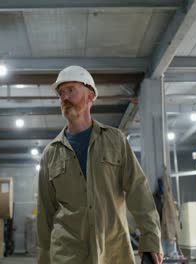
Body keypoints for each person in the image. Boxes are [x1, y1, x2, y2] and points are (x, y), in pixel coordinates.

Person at [37, 65, 163, 264]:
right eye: (61, 93)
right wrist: (44, 259)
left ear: (90, 95)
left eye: (71, 90)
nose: (64, 98)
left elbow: (138, 191)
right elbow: (45, 213)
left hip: (113, 252)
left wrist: (151, 239)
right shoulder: (51, 154)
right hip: (68, 256)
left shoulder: (115, 141)